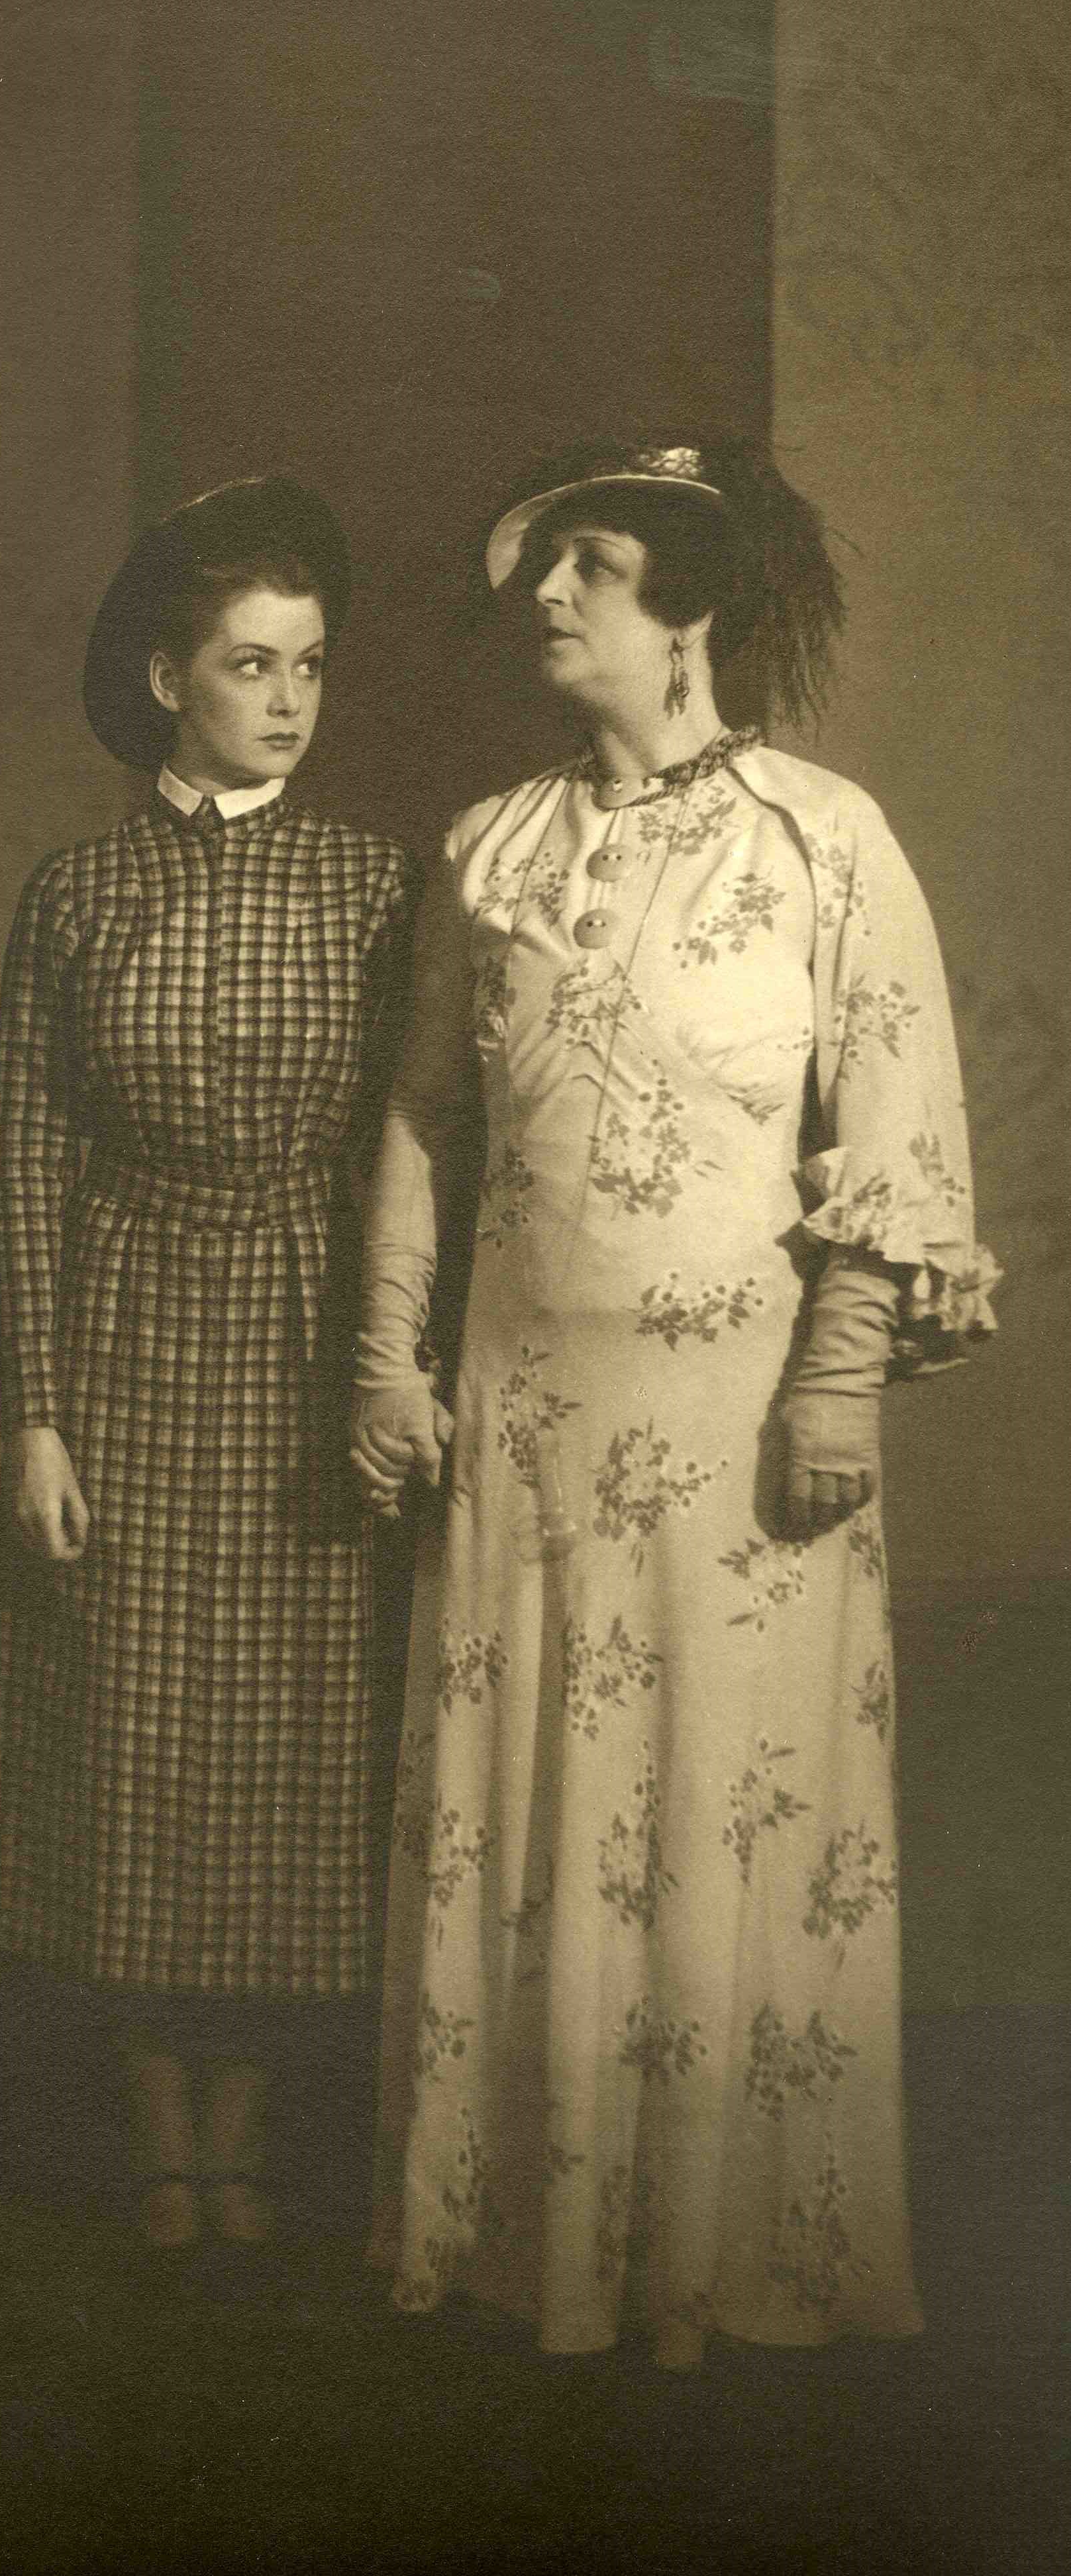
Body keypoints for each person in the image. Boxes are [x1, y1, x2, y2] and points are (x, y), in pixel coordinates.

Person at [350, 438, 998, 2365]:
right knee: (540, 1814)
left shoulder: (824, 838)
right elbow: (422, 1121)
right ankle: (528, 2253)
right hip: (524, 1419)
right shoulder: (489, 845)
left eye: (595, 568)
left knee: (727, 1810)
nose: (548, 599)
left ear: (692, 609)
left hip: (741, 1435)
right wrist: (387, 1359)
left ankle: (721, 2264)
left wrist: (840, 1387)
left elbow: (896, 1126)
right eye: (542, 568)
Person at [0, 479, 416, 2262]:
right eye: (249, 665)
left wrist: (391, 1369)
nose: (287, 701)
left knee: (294, 1744)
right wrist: (35, 1418)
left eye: (310, 666)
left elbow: (414, 1147)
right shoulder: (78, 892)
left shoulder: (376, 884)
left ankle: (252, 2133)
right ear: (167, 679)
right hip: (127, 1334)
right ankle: (160, 2139)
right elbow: (26, 1153)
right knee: (134, 1738)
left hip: (307, 1336)